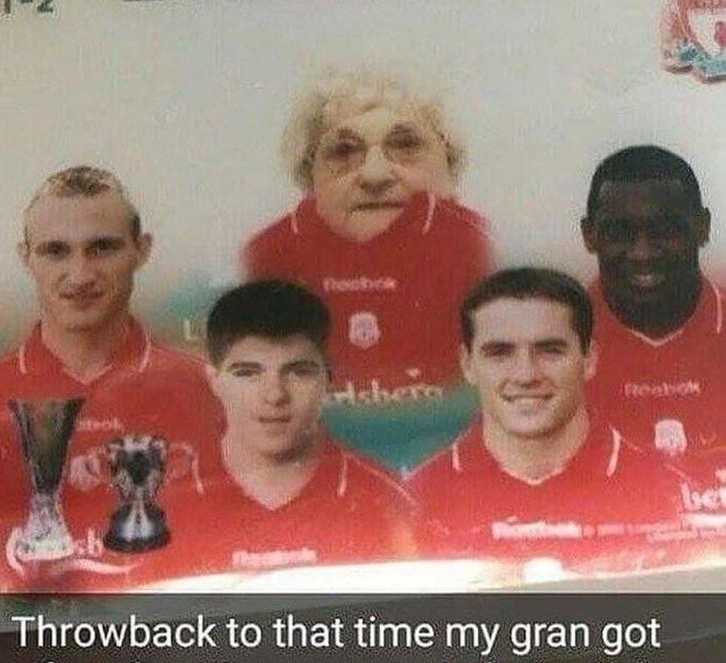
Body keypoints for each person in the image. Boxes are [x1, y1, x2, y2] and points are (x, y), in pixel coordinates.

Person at [0, 166, 215, 592]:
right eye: (56, 251)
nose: (80, 274)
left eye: (102, 248)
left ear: (141, 251)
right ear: (26, 257)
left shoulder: (206, 390)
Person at [72, 280, 419, 590]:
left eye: (298, 372)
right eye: (248, 373)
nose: (274, 395)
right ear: (214, 381)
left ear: (329, 378)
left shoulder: (384, 501)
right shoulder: (158, 508)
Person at [408, 268, 693, 579]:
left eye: (549, 351)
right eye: (500, 353)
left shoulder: (666, 492)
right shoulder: (416, 499)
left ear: (589, 359)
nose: (526, 375)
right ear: (468, 365)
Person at [243, 69, 492, 408]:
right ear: (309, 177)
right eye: (344, 152)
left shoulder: (490, 255)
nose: (375, 176)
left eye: (405, 146)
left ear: (449, 166)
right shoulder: (263, 262)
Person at [580, 146, 724, 516]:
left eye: (666, 230)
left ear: (704, 226)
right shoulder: (544, 346)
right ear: (588, 235)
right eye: (619, 232)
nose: (642, 252)